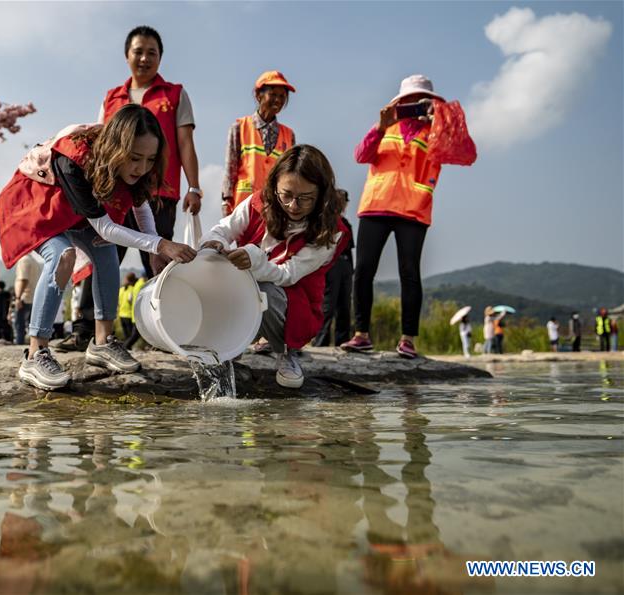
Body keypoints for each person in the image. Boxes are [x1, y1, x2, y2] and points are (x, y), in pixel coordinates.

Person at [0, 104, 197, 390]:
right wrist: (162, 244)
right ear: (116, 148)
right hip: (37, 207)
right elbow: (105, 226)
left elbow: (140, 208)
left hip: (77, 216)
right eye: (135, 158)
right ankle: (34, 352)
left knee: (105, 250)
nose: (141, 168)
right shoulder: (74, 158)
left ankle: (102, 342)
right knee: (62, 255)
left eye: (150, 160)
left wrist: (154, 250)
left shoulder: (136, 169)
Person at [341, 75, 476, 359]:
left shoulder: (438, 134)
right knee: (363, 270)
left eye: (421, 99)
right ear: (400, 102)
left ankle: (408, 340)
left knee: (410, 274)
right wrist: (380, 126)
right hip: (376, 204)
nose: (414, 104)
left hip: (414, 209)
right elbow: (360, 155)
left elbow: (465, 151)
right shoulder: (385, 128)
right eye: (409, 99)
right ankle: (361, 335)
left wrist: (443, 118)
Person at [200, 144, 348, 389]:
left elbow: (287, 274)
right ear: (275, 187)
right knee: (216, 271)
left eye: (305, 199)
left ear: (321, 195)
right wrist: (214, 242)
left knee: (266, 291)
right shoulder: (259, 202)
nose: (292, 205)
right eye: (286, 195)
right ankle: (226, 351)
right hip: (243, 289)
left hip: (294, 304)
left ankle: (286, 351)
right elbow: (225, 228)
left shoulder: (330, 231)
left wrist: (253, 258)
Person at [101, 25, 202, 277]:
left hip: (160, 191)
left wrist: (194, 187)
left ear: (160, 57)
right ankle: (90, 316)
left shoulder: (175, 94)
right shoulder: (111, 98)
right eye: (138, 52)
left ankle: (163, 313)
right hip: (115, 192)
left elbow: (185, 143)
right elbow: (101, 146)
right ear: (127, 56)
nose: (144, 58)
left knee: (159, 261)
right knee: (105, 255)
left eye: (152, 53)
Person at [222, 71, 297, 215]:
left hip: (275, 209)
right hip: (242, 207)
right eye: (273, 94)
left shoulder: (289, 135)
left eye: (282, 96)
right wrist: (226, 201)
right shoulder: (239, 127)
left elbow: (290, 174)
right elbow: (230, 169)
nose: (278, 100)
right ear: (259, 95)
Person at [313, 190, 354, 347]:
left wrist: (351, 269)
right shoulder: (325, 221)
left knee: (344, 306)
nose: (343, 204)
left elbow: (349, 250)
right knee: (328, 305)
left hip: (345, 266)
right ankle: (320, 341)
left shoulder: (347, 223)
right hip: (331, 265)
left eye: (345, 201)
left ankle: (342, 341)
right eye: (340, 200)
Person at [13, 253, 41, 345]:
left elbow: (23, 279)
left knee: (19, 326)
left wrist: (18, 297)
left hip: (24, 297)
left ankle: (19, 346)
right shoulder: (35, 262)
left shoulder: (23, 260)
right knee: (32, 327)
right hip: (34, 297)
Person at [123, 274, 148, 349]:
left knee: (136, 334)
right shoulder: (142, 284)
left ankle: (126, 346)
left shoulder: (136, 285)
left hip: (134, 314)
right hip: (138, 314)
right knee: (135, 335)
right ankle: (125, 346)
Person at [117, 272, 137, 342]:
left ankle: (126, 347)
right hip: (128, 315)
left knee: (127, 335)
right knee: (129, 335)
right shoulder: (132, 289)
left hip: (121, 315)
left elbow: (118, 302)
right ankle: (126, 347)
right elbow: (131, 301)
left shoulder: (121, 289)